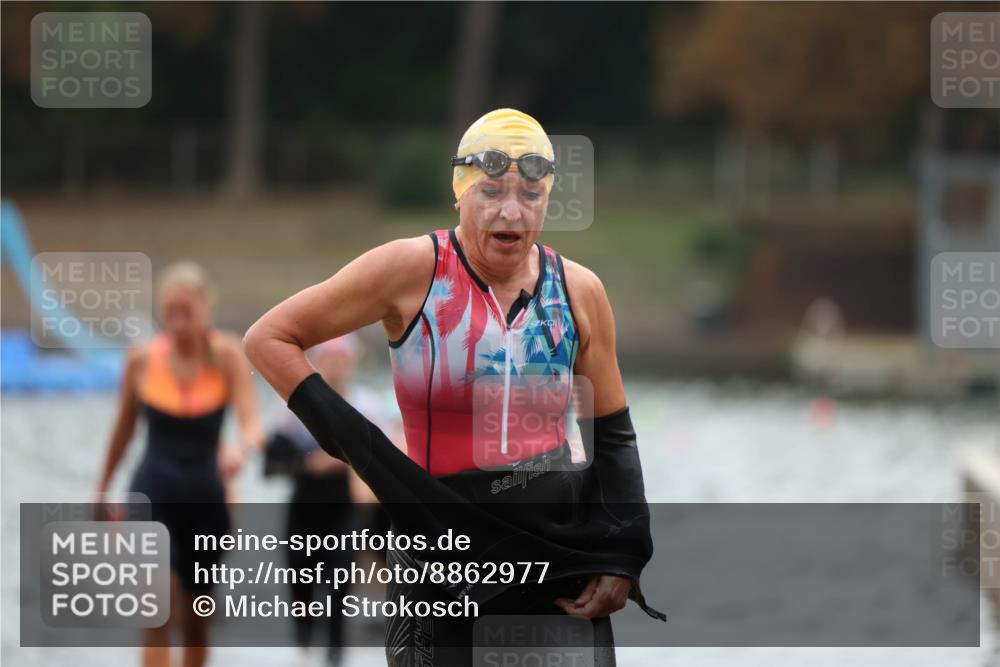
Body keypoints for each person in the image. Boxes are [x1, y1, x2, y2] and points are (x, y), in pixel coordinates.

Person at [244, 108, 662, 666]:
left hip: (558, 563)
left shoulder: (579, 291)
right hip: (442, 558)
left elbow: (611, 435)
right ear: (459, 193)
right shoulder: (413, 269)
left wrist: (622, 555)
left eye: (531, 194)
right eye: (491, 191)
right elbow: (269, 338)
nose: (511, 210)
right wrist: (368, 452)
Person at [96, 261, 264, 667]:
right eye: (169, 312)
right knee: (157, 603)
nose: (177, 321)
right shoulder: (141, 361)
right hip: (151, 491)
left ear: (207, 307)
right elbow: (122, 433)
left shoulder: (226, 355)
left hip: (207, 497)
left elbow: (252, 422)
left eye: (186, 311)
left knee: (196, 616)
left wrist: (241, 450)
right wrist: (101, 489)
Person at [264, 334, 399, 666]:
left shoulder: (365, 404)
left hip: (344, 507)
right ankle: (304, 640)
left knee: (340, 581)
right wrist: (309, 463)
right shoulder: (296, 406)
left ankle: (335, 654)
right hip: (305, 505)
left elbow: (388, 457)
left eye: (343, 359)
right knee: (301, 582)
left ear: (352, 362)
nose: (336, 366)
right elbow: (271, 464)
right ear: (318, 362)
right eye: (330, 359)